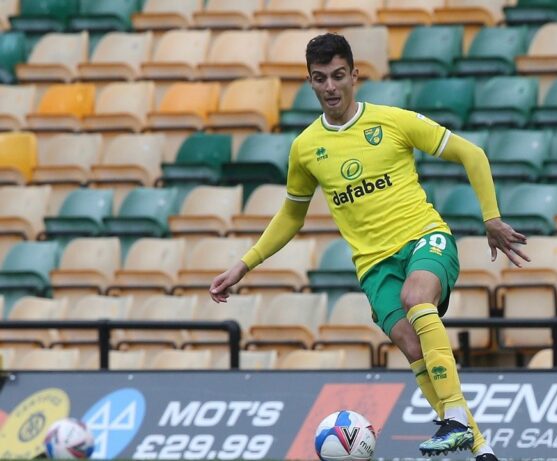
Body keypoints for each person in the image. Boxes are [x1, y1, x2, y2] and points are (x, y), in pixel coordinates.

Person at [210, 33, 530, 460]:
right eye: (320, 78)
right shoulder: (305, 149)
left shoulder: (392, 121)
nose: (330, 87)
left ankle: (454, 417)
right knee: (412, 345)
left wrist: (490, 217)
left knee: (416, 298)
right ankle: (480, 448)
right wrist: (243, 265)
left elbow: (472, 154)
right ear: (310, 82)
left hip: (424, 238)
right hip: (374, 267)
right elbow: (290, 216)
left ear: (354, 75)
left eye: (338, 75)